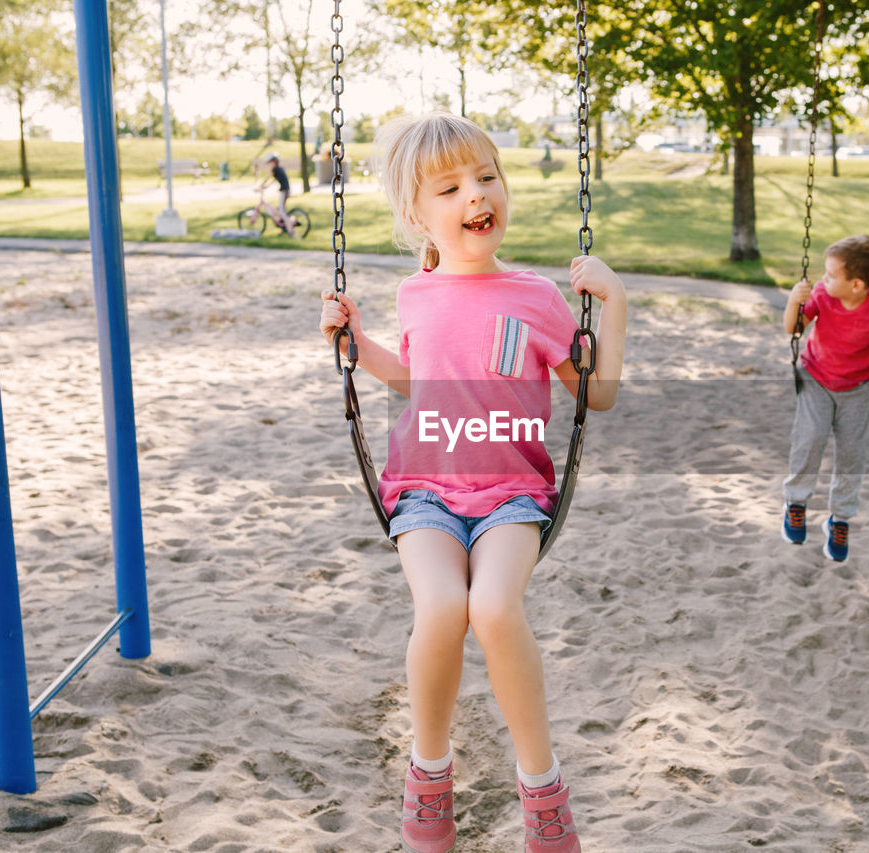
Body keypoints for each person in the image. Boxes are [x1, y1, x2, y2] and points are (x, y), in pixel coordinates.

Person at [319, 113, 627, 853]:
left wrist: (614, 303)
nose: (475, 196)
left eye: (487, 177)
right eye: (450, 187)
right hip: (423, 485)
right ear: (416, 215)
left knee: (492, 605)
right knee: (442, 605)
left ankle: (542, 787)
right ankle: (429, 773)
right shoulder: (416, 294)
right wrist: (354, 345)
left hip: (511, 493)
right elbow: (414, 377)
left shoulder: (539, 297)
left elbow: (599, 392)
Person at [780, 234, 869, 562]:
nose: (823, 280)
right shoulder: (822, 296)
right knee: (810, 438)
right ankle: (796, 503)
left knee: (853, 453)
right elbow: (793, 329)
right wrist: (794, 300)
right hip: (816, 379)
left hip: (857, 389)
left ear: (856, 284)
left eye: (830, 275)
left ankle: (839, 519)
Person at [261, 152, 294, 235]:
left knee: (282, 211)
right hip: (286, 190)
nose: (269, 164)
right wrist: (265, 186)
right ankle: (284, 229)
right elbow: (273, 180)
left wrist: (262, 185)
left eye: (269, 162)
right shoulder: (279, 169)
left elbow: (268, 178)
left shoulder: (275, 169)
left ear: (273, 162)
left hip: (284, 191)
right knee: (280, 210)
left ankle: (291, 231)